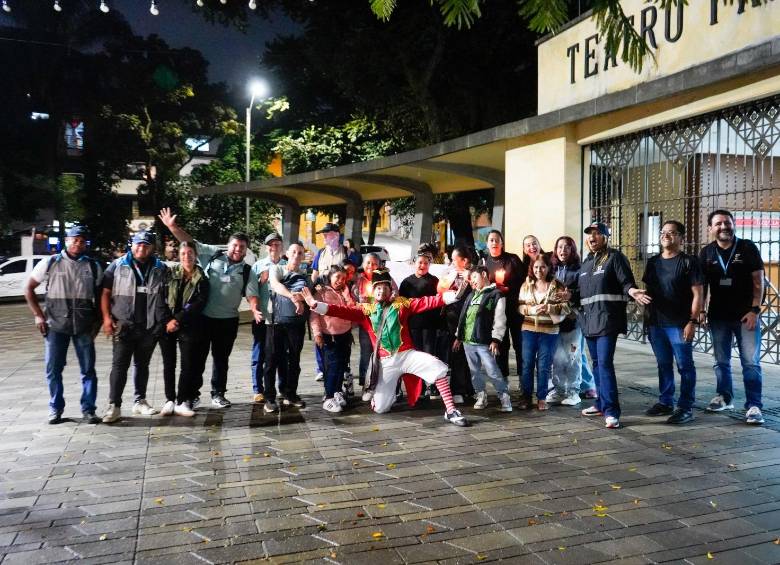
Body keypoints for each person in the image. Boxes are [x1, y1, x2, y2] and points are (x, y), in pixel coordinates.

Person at [300, 270, 470, 427]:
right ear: (373, 291)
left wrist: (453, 296)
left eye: (384, 287)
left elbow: (428, 301)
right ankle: (379, 394)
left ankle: (450, 410)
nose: (381, 291)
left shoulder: (402, 305)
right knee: (381, 408)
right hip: (386, 361)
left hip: (407, 354)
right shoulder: (365, 310)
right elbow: (341, 310)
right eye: (377, 288)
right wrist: (316, 305)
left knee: (436, 367)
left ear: (390, 290)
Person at [158, 207, 250, 408]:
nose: (237, 249)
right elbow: (190, 243)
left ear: (245, 250)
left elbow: (252, 292)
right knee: (197, 359)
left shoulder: (246, 269)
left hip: (228, 321)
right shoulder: (213, 255)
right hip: (204, 319)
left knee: (221, 360)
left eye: (242, 247)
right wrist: (172, 227)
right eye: (235, 245)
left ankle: (218, 393)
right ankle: (193, 395)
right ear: (229, 245)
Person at [25, 225, 103, 424]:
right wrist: (38, 315)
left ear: (85, 243)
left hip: (84, 326)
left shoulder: (93, 266)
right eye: (74, 239)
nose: (77, 243)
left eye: (81, 240)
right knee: (53, 369)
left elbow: (102, 296)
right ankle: (55, 408)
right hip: (55, 325)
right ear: (66, 241)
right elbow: (29, 288)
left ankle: (89, 409)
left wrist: (99, 322)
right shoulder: (50, 262)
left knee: (88, 370)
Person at [579, 222, 650, 429]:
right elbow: (581, 293)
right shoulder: (586, 263)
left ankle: (611, 411)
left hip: (608, 320)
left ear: (606, 237)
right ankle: (601, 403)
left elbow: (626, 282)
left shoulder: (614, 258)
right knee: (596, 364)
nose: (592, 237)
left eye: (597, 234)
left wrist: (633, 291)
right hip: (589, 322)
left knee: (605, 363)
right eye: (590, 234)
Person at [700, 209, 765, 425]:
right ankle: (724, 397)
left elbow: (758, 281)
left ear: (733, 224)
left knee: (751, 363)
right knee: (721, 361)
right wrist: (701, 310)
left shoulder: (747, 248)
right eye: (718, 224)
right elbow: (702, 286)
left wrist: (755, 310)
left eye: (727, 222)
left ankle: (754, 405)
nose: (723, 227)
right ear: (711, 229)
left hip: (746, 316)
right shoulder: (707, 253)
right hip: (718, 317)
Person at [100, 230, 169, 423]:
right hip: (123, 325)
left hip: (148, 326)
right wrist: (106, 318)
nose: (142, 248)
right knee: (119, 366)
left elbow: (166, 297)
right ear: (132, 245)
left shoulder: (160, 268)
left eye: (146, 245)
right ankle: (114, 405)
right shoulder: (117, 266)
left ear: (152, 247)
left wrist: (160, 323)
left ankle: (140, 401)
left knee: (142, 365)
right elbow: (105, 293)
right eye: (138, 244)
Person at [642, 221, 703, 425]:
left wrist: (692, 321)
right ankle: (666, 401)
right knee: (663, 364)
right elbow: (650, 291)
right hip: (656, 324)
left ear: (681, 238)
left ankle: (685, 407)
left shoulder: (689, 262)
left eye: (672, 233)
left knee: (685, 366)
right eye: (663, 232)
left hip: (679, 324)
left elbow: (698, 294)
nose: (666, 235)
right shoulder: (652, 263)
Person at [158, 241, 209, 417]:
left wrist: (177, 320)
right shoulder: (169, 273)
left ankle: (182, 400)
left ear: (195, 255)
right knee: (168, 364)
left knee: (188, 365)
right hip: (166, 324)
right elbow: (160, 298)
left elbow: (197, 303)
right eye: (183, 253)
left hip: (188, 325)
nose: (187, 256)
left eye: (190, 253)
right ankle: (170, 399)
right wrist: (167, 320)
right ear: (179, 256)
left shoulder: (201, 278)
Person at [453, 266, 512, 412]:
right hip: (468, 341)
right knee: (474, 371)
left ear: (484, 274)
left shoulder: (496, 294)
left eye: (474, 277)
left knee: (492, 370)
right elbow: (463, 317)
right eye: (471, 278)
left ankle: (504, 396)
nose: (472, 281)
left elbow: (500, 319)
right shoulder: (471, 295)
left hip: (485, 342)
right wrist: (458, 336)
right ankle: (481, 395)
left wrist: (496, 339)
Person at [518, 254, 570, 411]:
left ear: (548, 268)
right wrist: (531, 310)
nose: (538, 270)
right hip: (528, 330)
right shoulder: (526, 285)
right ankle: (526, 397)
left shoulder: (558, 285)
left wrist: (549, 308)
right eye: (535, 267)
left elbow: (567, 308)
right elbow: (520, 307)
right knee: (527, 364)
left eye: (542, 267)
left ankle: (541, 397)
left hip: (549, 332)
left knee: (544, 365)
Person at [262, 242, 309, 413]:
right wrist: (293, 297)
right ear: (287, 254)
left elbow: (309, 295)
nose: (297, 255)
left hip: (296, 324)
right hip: (275, 322)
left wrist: (303, 299)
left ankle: (290, 394)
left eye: (300, 253)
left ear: (303, 256)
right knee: (272, 360)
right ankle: (269, 397)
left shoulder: (305, 276)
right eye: (294, 252)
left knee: (294, 360)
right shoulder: (278, 269)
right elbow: (275, 285)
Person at [245, 233, 286, 404]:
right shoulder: (258, 266)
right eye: (270, 244)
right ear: (266, 247)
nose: (273, 247)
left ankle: (283, 388)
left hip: (282, 319)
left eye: (277, 244)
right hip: (263, 317)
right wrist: (255, 309)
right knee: (259, 353)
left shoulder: (287, 265)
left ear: (281, 246)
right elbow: (251, 291)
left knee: (282, 355)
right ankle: (258, 389)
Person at [547, 236, 587, 407]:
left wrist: (571, 295)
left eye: (567, 247)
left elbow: (584, 292)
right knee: (557, 358)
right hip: (555, 323)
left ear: (572, 250)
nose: (563, 250)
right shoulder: (552, 270)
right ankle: (559, 389)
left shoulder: (579, 270)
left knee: (572, 356)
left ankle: (573, 391)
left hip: (572, 322)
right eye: (560, 247)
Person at [310, 265, 355, 413]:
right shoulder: (321, 292)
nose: (340, 281)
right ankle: (328, 397)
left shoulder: (345, 291)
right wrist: (317, 333)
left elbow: (352, 309)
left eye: (343, 278)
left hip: (345, 334)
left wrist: (347, 293)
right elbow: (314, 315)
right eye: (337, 277)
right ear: (330, 277)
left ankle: (336, 391)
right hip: (330, 335)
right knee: (332, 368)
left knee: (341, 365)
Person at [482, 229, 526, 381]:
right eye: (491, 240)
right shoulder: (484, 262)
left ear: (502, 243)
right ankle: (503, 379)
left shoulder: (512, 259)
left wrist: (509, 288)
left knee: (520, 344)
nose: (494, 242)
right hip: (497, 311)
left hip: (514, 308)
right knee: (500, 344)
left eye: (497, 240)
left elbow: (524, 282)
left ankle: (523, 378)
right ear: (487, 244)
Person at [353, 253, 397, 400]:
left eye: (374, 263)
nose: (371, 267)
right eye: (368, 263)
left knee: (386, 352)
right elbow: (352, 300)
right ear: (363, 264)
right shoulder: (359, 280)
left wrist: (391, 297)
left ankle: (388, 385)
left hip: (385, 321)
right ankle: (366, 385)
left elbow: (395, 293)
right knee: (366, 353)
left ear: (379, 265)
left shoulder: (387, 278)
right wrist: (360, 302)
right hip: (367, 322)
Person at [437, 245, 475, 403]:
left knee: (471, 353)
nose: (451, 262)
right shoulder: (450, 272)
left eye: (454, 259)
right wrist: (451, 278)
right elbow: (440, 289)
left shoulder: (475, 272)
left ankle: (470, 388)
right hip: (453, 317)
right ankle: (457, 389)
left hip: (471, 316)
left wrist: (470, 277)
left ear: (465, 260)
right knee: (456, 352)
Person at [399, 252, 440, 359]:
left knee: (429, 355)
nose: (422, 265)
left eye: (426, 263)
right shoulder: (406, 282)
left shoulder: (434, 281)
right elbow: (401, 303)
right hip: (412, 325)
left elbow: (439, 301)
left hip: (430, 325)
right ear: (414, 263)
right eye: (420, 262)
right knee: (415, 355)